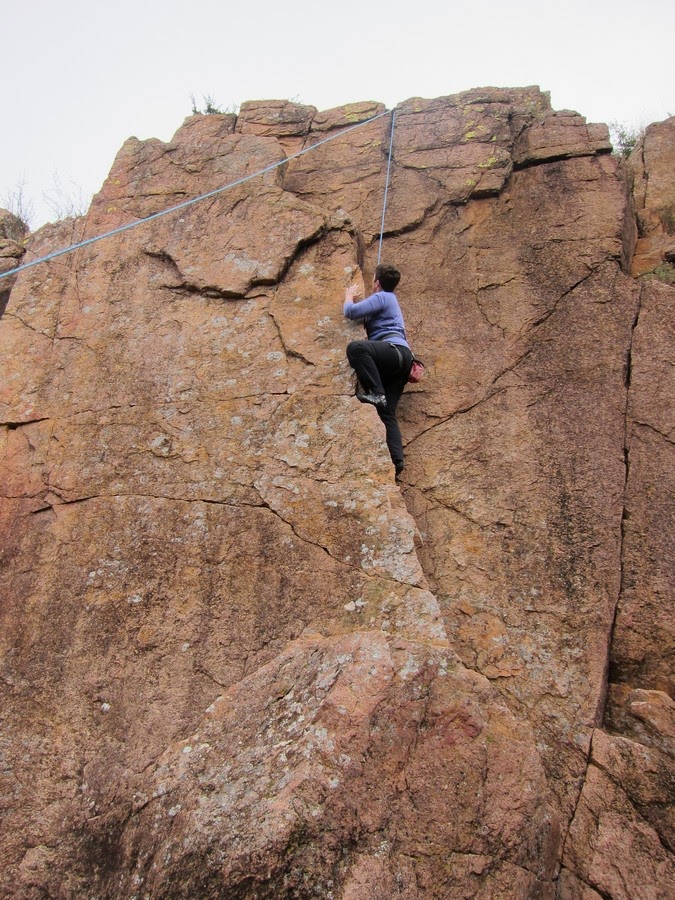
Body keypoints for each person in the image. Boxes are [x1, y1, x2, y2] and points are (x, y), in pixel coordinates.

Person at [343, 264, 413, 477]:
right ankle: (396, 460)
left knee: (356, 348)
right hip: (402, 359)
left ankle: (376, 393)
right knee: (387, 413)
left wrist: (348, 295)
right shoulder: (389, 300)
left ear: (377, 282)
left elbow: (350, 312)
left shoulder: (384, 296)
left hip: (392, 352)